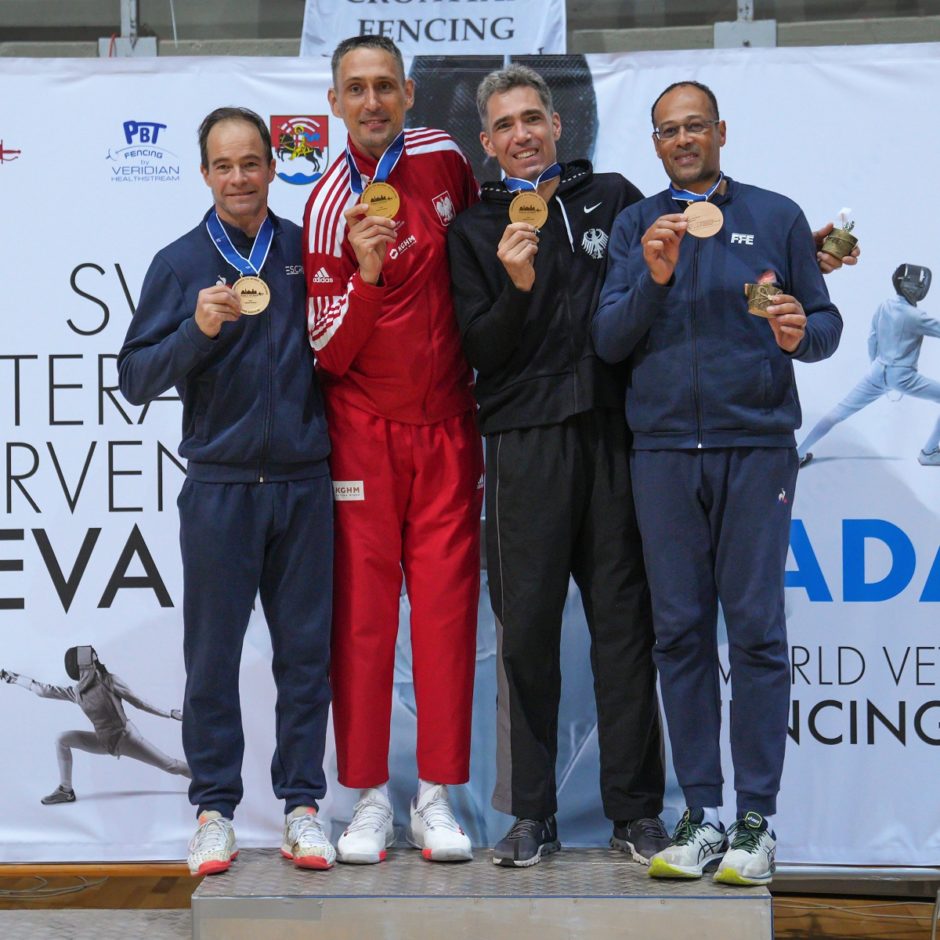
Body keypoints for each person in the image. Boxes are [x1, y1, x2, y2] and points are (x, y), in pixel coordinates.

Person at [592, 81, 843, 886]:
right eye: (668, 131)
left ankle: (757, 821)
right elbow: (607, 339)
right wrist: (655, 276)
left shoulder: (776, 216)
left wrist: (802, 333)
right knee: (679, 635)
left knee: (759, 634)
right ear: (656, 144)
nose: (683, 139)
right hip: (663, 453)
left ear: (721, 131)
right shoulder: (638, 226)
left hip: (756, 449)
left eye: (695, 125)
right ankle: (701, 815)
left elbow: (825, 325)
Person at [446, 64, 668, 868]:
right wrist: (514, 284)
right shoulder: (472, 229)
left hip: (612, 433)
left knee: (623, 629)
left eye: (532, 117)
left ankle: (636, 813)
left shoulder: (611, 193)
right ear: (487, 143)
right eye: (504, 125)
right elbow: (479, 350)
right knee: (527, 635)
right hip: (522, 442)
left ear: (557, 124)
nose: (522, 134)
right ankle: (530, 813)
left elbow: (674, 257)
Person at [118, 107, 335, 877]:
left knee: (306, 657)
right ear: (204, 173)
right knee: (210, 660)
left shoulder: (308, 251)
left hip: (307, 484)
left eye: (252, 163)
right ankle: (213, 810)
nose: (239, 178)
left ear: (274, 167)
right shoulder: (179, 264)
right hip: (220, 488)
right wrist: (194, 334)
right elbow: (136, 378)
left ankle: (302, 805)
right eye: (224, 166)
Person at [303, 36, 483, 864]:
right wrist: (366, 276)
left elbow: (478, 260)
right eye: (355, 89)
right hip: (362, 434)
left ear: (409, 94)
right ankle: (371, 797)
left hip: (450, 424)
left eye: (384, 86)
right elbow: (328, 352)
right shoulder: (320, 208)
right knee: (366, 624)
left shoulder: (445, 159)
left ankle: (439, 799)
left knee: (447, 616)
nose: (371, 101)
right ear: (334, 102)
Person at [1, 646, 189, 804]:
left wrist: (169, 714)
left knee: (170, 766)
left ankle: (213, 781)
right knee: (62, 739)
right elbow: (43, 691)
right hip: (103, 741)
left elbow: (139, 702)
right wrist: (15, 678)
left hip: (125, 738)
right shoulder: (78, 692)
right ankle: (66, 790)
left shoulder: (110, 681)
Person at [799, 263, 940, 467]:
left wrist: (877, 369)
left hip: (877, 370)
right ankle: (929, 453)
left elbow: (872, 339)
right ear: (910, 286)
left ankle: (798, 453)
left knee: (838, 412)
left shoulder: (885, 306)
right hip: (902, 376)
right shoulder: (915, 316)